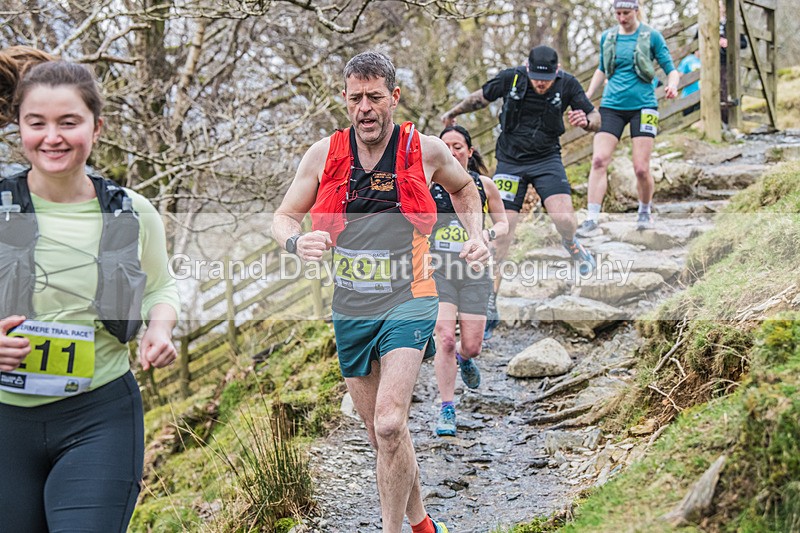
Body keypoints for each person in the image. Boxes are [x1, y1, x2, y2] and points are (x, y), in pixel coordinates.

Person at [272, 51, 489, 533]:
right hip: (351, 306)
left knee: (391, 423)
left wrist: (475, 234)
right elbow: (284, 216)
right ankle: (423, 524)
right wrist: (295, 240)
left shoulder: (426, 150)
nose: (364, 108)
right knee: (380, 435)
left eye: (374, 97)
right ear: (344, 99)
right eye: (355, 99)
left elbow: (465, 190)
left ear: (394, 97)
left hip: (411, 296)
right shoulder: (323, 155)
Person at [0, 48, 179, 532]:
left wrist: (159, 330)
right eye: (36, 123)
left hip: (100, 416)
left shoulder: (131, 211)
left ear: (96, 128)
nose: (52, 137)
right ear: (19, 128)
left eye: (69, 122)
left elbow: (162, 285)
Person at [441, 44, 600, 339]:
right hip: (510, 163)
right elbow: (480, 98)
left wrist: (587, 122)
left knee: (565, 219)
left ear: (556, 72)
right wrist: (454, 112)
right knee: (502, 234)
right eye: (536, 77)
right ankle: (491, 302)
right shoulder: (511, 78)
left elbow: (595, 117)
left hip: (547, 160)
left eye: (546, 79)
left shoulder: (568, 84)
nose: (541, 83)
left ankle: (572, 245)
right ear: (527, 68)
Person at [577, 0, 679, 235]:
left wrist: (672, 86)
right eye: (618, 13)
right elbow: (602, 68)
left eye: (626, 13)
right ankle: (592, 218)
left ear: (636, 10)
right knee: (599, 160)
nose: (622, 18)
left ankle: (644, 211)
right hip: (611, 106)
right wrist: (587, 95)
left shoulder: (652, 36)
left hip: (645, 107)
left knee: (641, 168)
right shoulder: (608, 37)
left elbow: (671, 70)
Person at [431, 125, 508, 437]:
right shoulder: (428, 183)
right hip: (438, 272)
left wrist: (487, 234)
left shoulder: (483, 185)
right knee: (445, 338)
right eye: (446, 146)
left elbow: (503, 223)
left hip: (474, 272)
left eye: (458, 146)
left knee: (472, 345)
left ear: (470, 151)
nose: (452, 152)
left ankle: (464, 358)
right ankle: (447, 408)